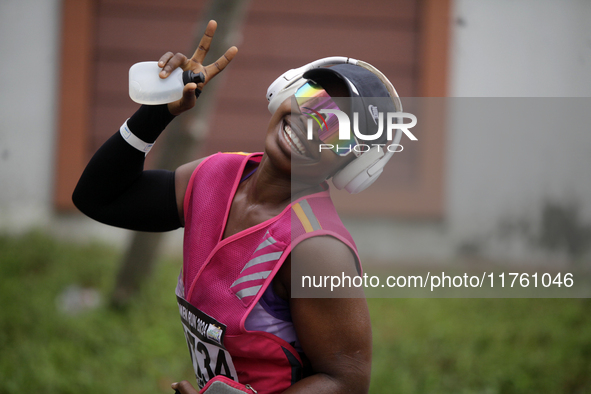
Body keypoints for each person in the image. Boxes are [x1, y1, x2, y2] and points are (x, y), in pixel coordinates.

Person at [73, 20, 400, 394]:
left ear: (353, 164)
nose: (312, 124)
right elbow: (99, 198)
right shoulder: (215, 177)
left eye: (337, 130)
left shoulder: (316, 250)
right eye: (314, 98)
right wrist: (157, 111)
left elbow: (348, 381)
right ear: (288, 92)